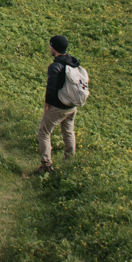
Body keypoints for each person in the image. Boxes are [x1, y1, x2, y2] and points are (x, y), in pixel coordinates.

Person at [38, 35, 80, 173]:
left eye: (50, 45)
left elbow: (51, 87)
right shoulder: (73, 62)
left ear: (54, 47)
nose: (49, 47)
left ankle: (46, 165)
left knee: (44, 132)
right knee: (68, 132)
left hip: (58, 107)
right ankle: (69, 161)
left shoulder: (55, 66)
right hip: (72, 107)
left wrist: (47, 103)